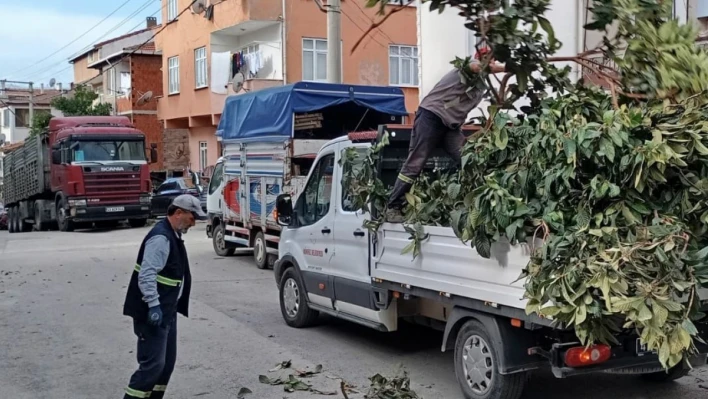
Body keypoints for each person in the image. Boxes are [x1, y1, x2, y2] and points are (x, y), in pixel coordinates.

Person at [386, 50, 506, 223]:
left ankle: (477, 204)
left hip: (451, 126)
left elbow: (494, 100)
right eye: (491, 61)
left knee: (468, 160)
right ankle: (393, 206)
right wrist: (506, 68)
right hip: (431, 116)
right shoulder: (465, 69)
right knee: (416, 163)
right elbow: (476, 66)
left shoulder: (480, 87)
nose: (493, 65)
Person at [122, 194, 207, 399]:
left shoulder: (173, 235)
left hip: (166, 311)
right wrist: (153, 305)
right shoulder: (161, 238)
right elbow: (147, 275)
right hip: (153, 312)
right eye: (192, 217)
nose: (194, 223)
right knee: (152, 367)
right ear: (178, 213)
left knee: (166, 366)